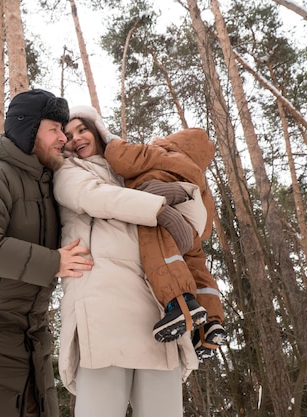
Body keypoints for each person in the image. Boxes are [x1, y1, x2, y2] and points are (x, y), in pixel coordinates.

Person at [0, 89, 93, 417]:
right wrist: (54, 262)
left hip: (33, 336)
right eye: (53, 129)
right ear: (28, 129)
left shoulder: (50, 186)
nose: (62, 138)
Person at [53, 105, 200, 417]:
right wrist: (158, 208)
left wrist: (181, 193)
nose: (76, 139)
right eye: (68, 136)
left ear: (98, 131)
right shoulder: (68, 174)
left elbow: (195, 228)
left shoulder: (132, 174)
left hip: (157, 311)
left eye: (82, 130)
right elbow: (97, 198)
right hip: (102, 307)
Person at [101, 114, 227, 361]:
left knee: (154, 236)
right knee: (198, 266)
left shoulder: (161, 152)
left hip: (159, 197)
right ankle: (210, 324)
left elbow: (122, 159)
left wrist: (109, 139)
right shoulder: (199, 175)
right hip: (190, 227)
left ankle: (180, 303)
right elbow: (206, 229)